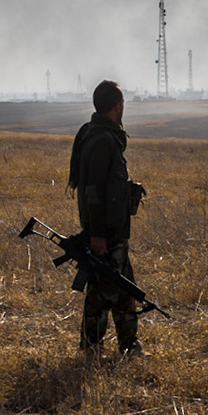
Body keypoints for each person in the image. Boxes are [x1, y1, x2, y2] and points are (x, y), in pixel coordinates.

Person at [68, 79, 147, 356]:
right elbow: (92, 191)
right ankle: (91, 348)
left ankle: (129, 343)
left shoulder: (100, 134)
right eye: (122, 104)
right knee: (101, 293)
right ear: (117, 106)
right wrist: (98, 234)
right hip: (106, 233)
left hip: (115, 231)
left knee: (125, 289)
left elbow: (103, 185)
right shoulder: (102, 140)